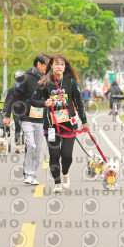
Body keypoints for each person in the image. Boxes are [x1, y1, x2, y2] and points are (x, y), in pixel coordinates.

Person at [31, 54, 89, 193]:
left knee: (67, 155)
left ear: (65, 67)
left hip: (68, 125)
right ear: (51, 66)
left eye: (62, 64)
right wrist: (44, 103)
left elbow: (78, 103)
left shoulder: (71, 82)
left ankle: (65, 174)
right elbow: (33, 100)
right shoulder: (44, 83)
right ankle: (57, 183)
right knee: (54, 154)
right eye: (56, 64)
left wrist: (84, 121)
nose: (59, 67)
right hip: (51, 126)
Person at [3, 53, 50, 185]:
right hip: (26, 117)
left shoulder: (48, 79)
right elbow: (13, 97)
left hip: (41, 119)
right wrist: (7, 115)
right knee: (31, 145)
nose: (49, 68)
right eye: (47, 65)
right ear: (39, 64)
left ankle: (33, 174)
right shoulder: (25, 77)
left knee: (38, 148)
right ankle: (28, 174)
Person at [3, 70, 25, 153]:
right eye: (17, 78)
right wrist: (5, 110)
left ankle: (24, 144)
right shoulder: (13, 89)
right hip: (16, 110)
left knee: (26, 127)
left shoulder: (27, 89)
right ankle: (18, 145)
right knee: (18, 126)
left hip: (26, 111)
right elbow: (8, 100)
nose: (19, 80)